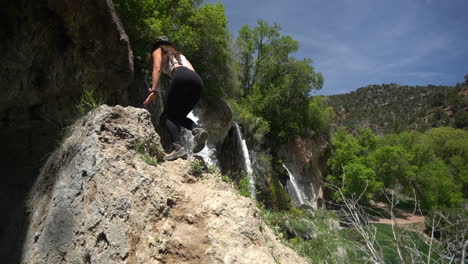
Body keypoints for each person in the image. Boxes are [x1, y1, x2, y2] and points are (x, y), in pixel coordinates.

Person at [143, 36, 208, 161]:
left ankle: (178, 147)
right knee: (178, 117)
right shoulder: (179, 55)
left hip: (180, 76)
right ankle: (197, 130)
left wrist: (153, 90)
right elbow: (192, 72)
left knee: (166, 117)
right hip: (197, 82)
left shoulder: (158, 50)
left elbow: (157, 69)